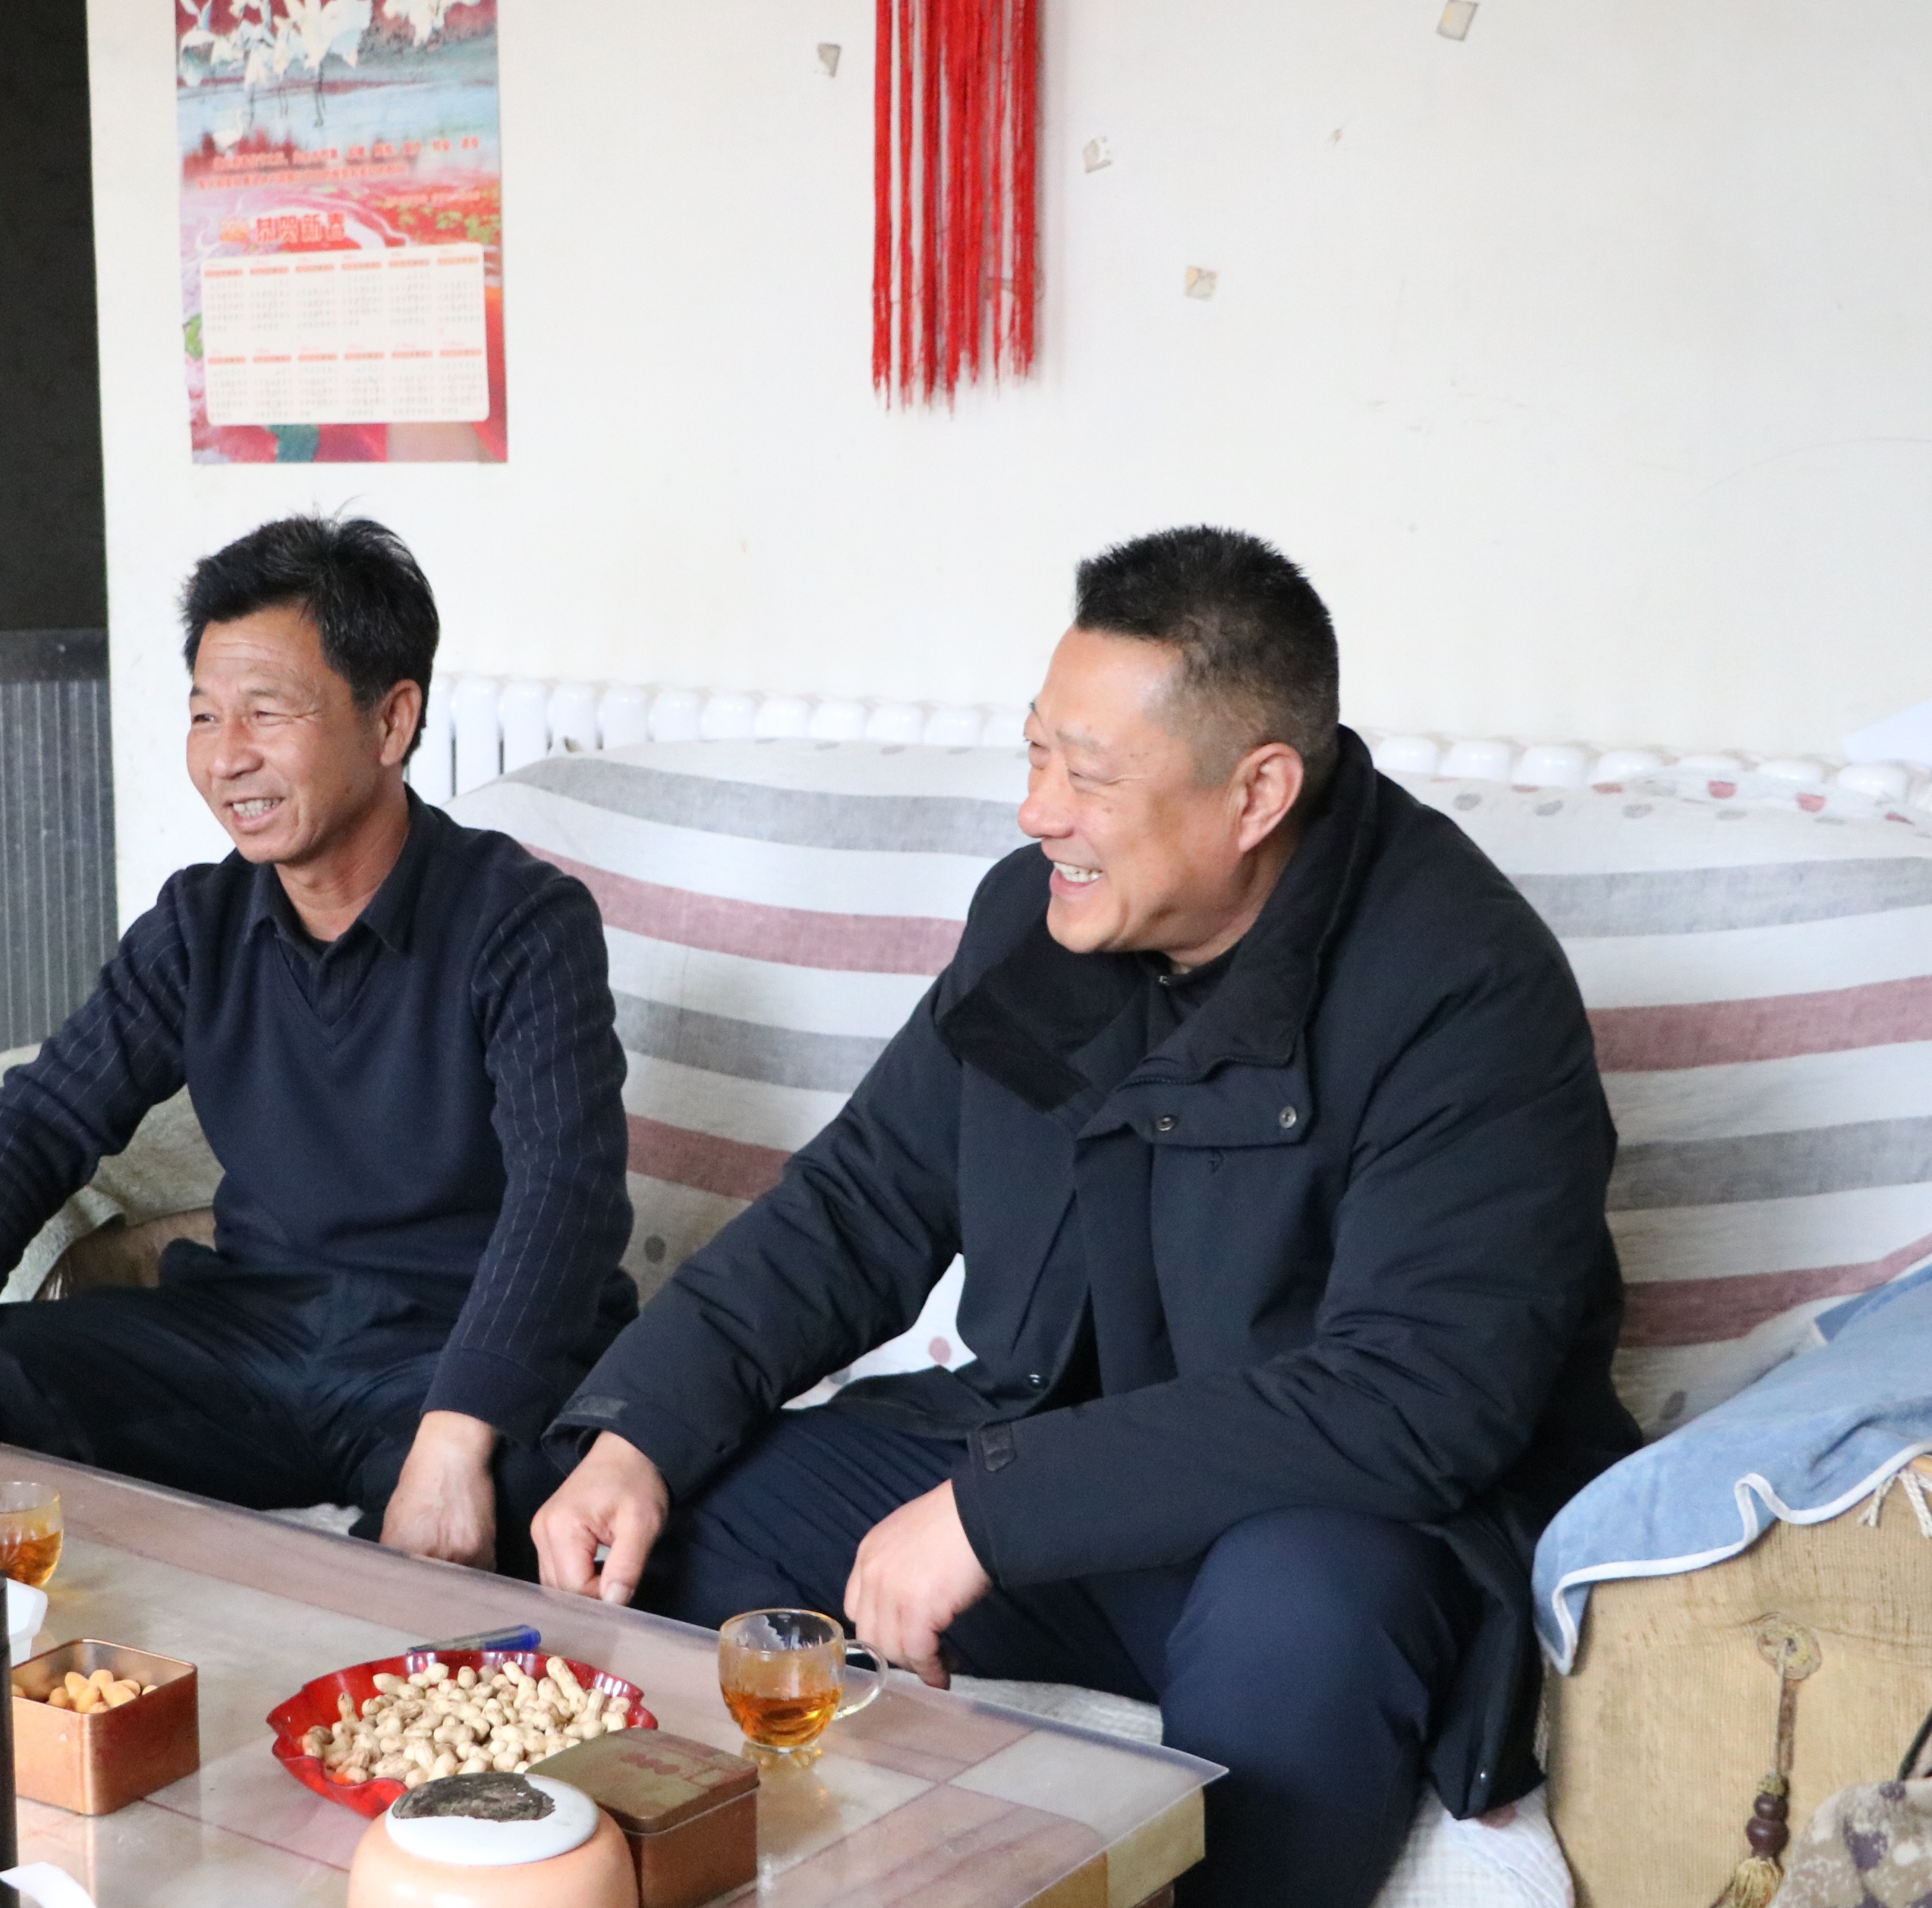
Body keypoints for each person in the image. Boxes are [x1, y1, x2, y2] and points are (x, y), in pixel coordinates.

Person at [530, 528, 1641, 1907]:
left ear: (1257, 792)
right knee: (684, 1517)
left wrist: (995, 1510)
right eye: (1034, 754)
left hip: (1321, 1524)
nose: (1036, 811)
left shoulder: (1463, 987)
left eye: (1089, 777)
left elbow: (1418, 1400)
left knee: (1301, 1619)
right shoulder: (1043, 919)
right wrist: (638, 1428)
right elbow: (861, 1201)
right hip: (1048, 1476)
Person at [0, 514, 634, 1574]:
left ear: (391, 721)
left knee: (522, 1495)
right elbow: (40, 1117)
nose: (227, 755)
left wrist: (458, 1434)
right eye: (204, 714)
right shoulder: (201, 925)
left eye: (267, 712)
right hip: (252, 1335)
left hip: (443, 1348)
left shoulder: (521, 922)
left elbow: (569, 1195)